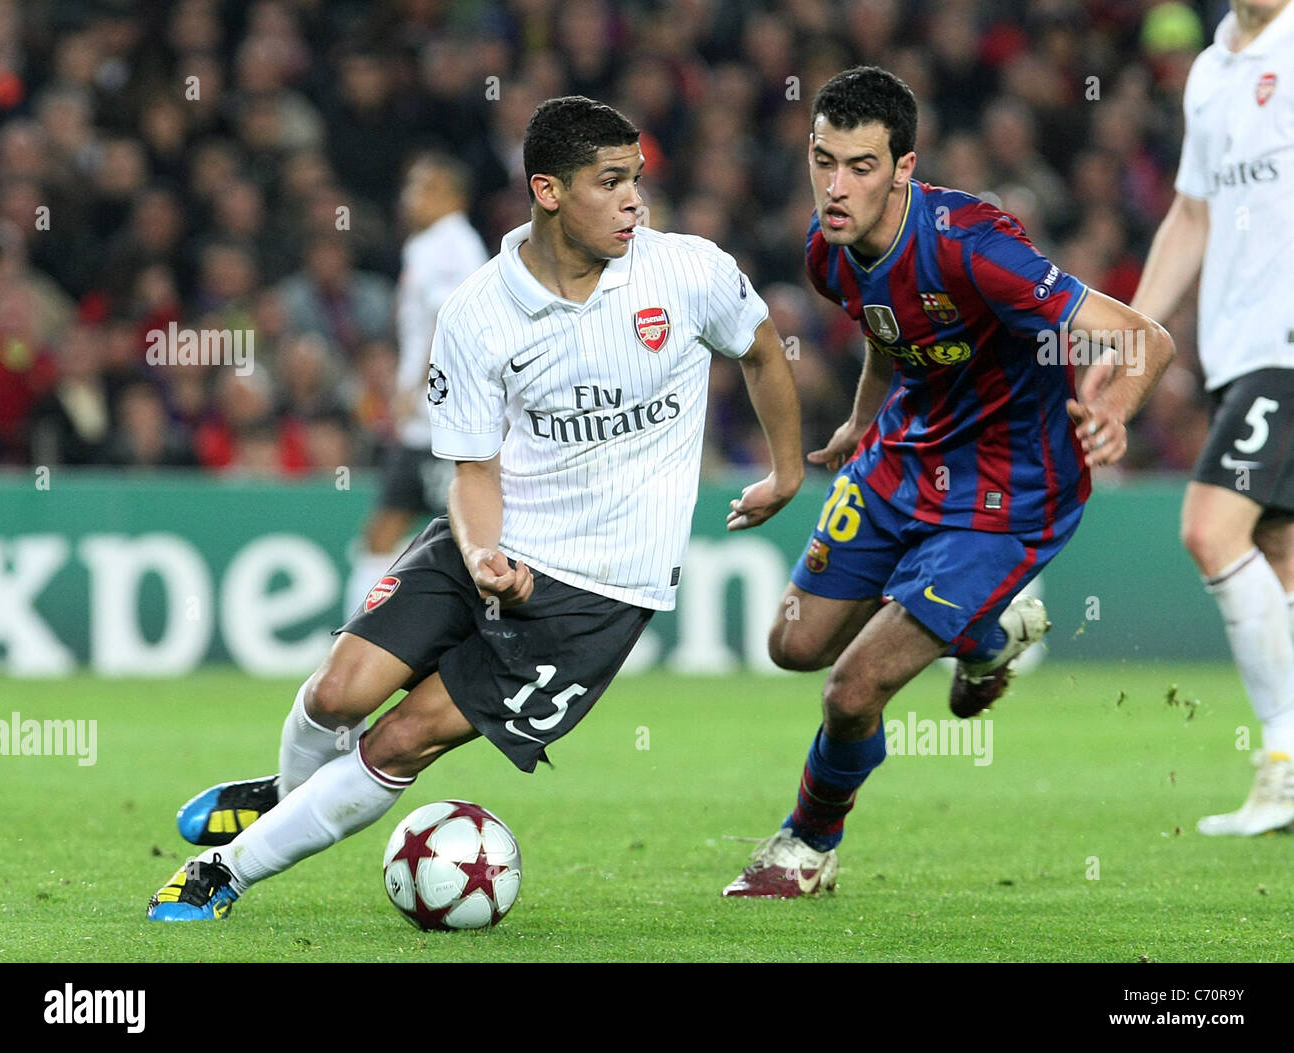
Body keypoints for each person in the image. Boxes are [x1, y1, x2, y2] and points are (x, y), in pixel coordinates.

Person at [148, 95, 805, 920]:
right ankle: (286, 792)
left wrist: (785, 471)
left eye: (637, 178)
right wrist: (486, 551)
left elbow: (760, 347)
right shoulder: (480, 309)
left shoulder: (687, 271)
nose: (636, 198)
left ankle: (225, 871)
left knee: (400, 738)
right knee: (335, 695)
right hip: (489, 539)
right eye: (611, 181)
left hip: (600, 592)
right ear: (549, 190)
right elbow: (472, 467)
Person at [724, 66, 1175, 898]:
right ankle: (987, 634)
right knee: (793, 642)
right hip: (902, 457)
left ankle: (807, 845)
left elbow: (1144, 336)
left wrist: (1114, 408)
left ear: (904, 167)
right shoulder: (828, 253)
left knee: (851, 689)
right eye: (823, 160)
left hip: (1010, 490)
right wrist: (864, 418)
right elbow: (887, 328)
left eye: (860, 166)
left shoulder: (976, 246)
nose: (835, 184)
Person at [1089, 0, 1294, 836]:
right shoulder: (1210, 72)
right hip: (1238, 346)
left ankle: (1281, 760)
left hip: (1288, 340)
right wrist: (1136, 329)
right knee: (1279, 554)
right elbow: (1192, 215)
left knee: (1210, 529)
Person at [344, 153, 490, 617]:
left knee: (397, 533)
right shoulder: (430, 244)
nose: (410, 198)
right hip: (432, 421)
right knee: (400, 533)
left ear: (453, 197)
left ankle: (359, 635)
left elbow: (455, 319)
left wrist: (420, 384)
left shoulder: (450, 247)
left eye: (424, 188)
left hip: (439, 421)